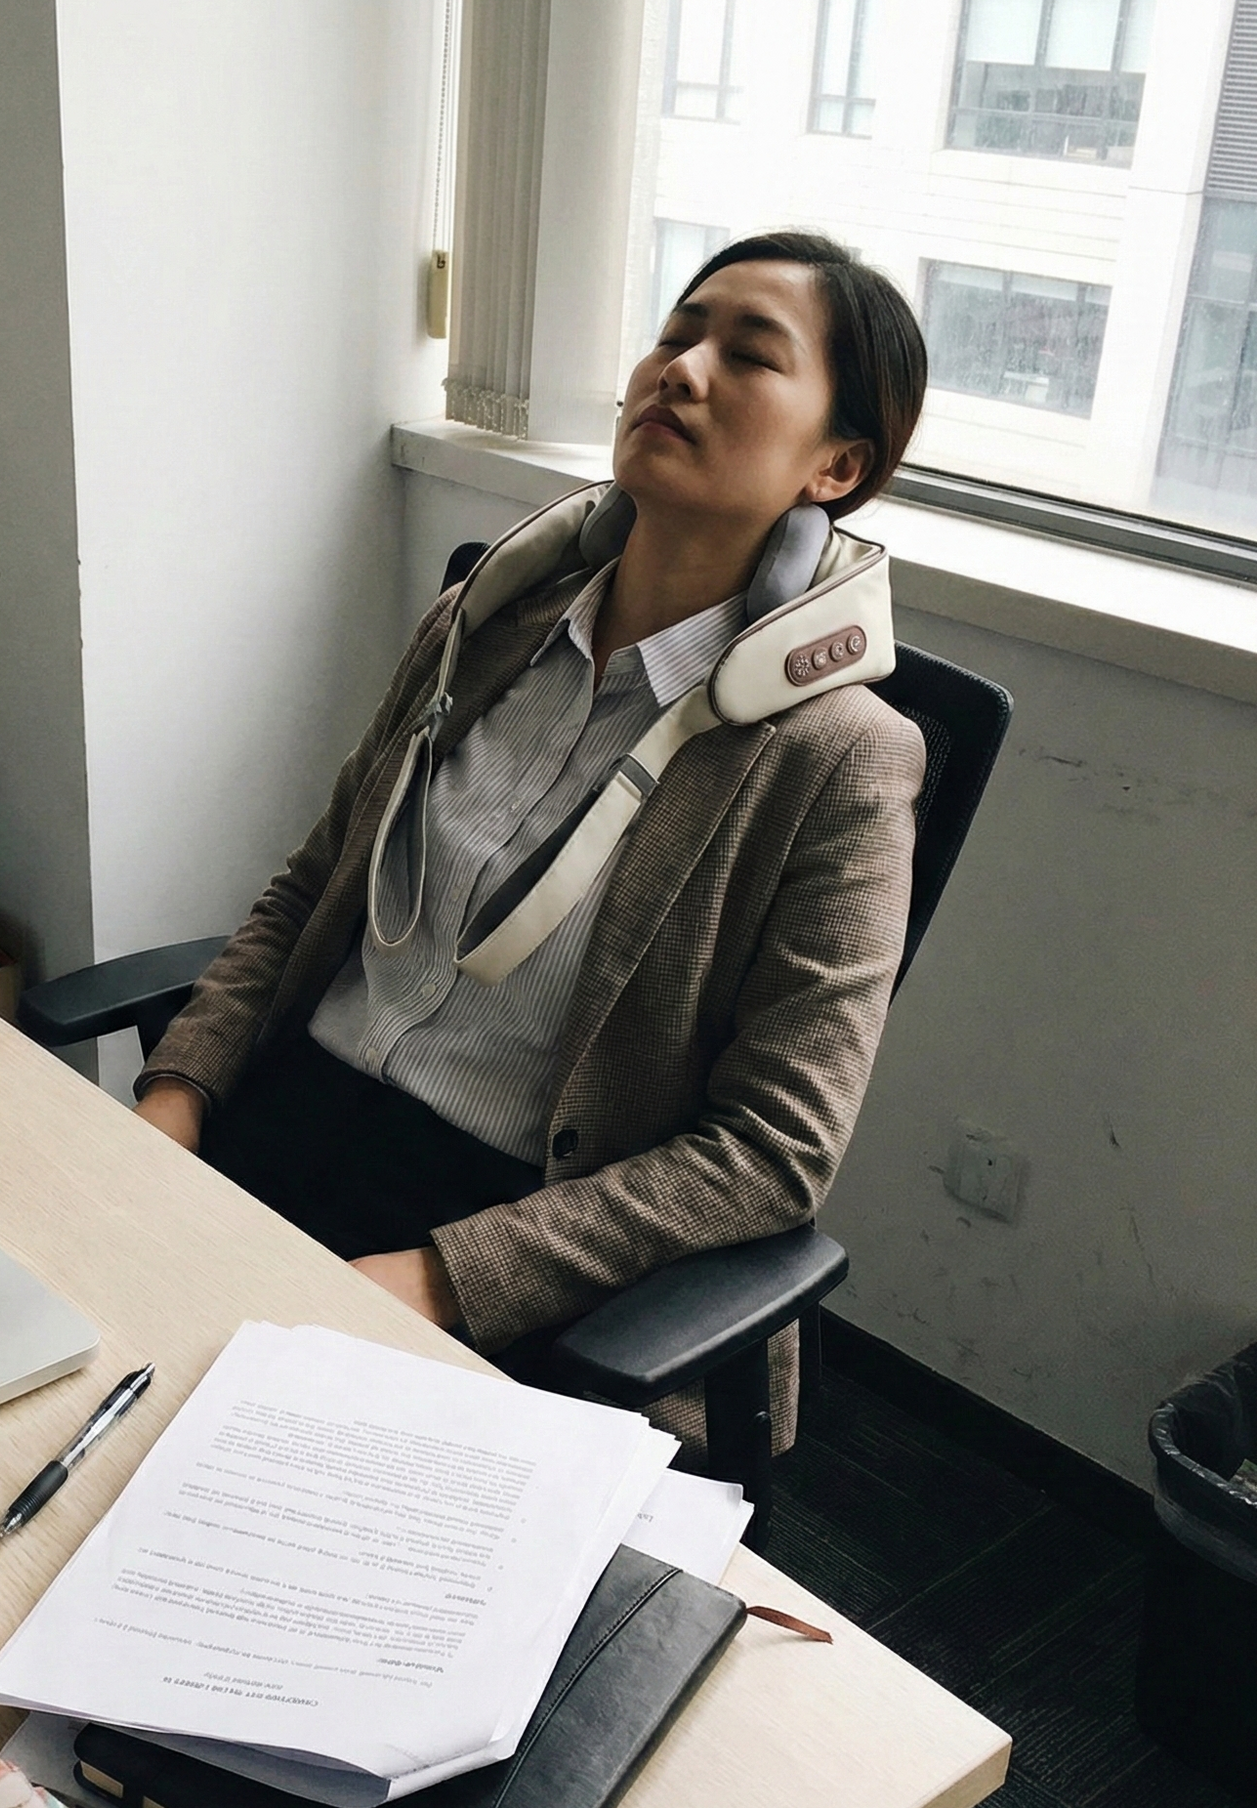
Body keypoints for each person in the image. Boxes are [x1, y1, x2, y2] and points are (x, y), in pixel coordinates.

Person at [133, 231, 930, 1444]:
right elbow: (314, 888)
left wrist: (445, 1278)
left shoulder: (836, 759)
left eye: (748, 355)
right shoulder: (488, 622)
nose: (680, 370)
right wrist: (176, 1094)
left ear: (835, 465)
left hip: (512, 1226)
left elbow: (773, 1152)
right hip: (285, 1117)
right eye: (674, 334)